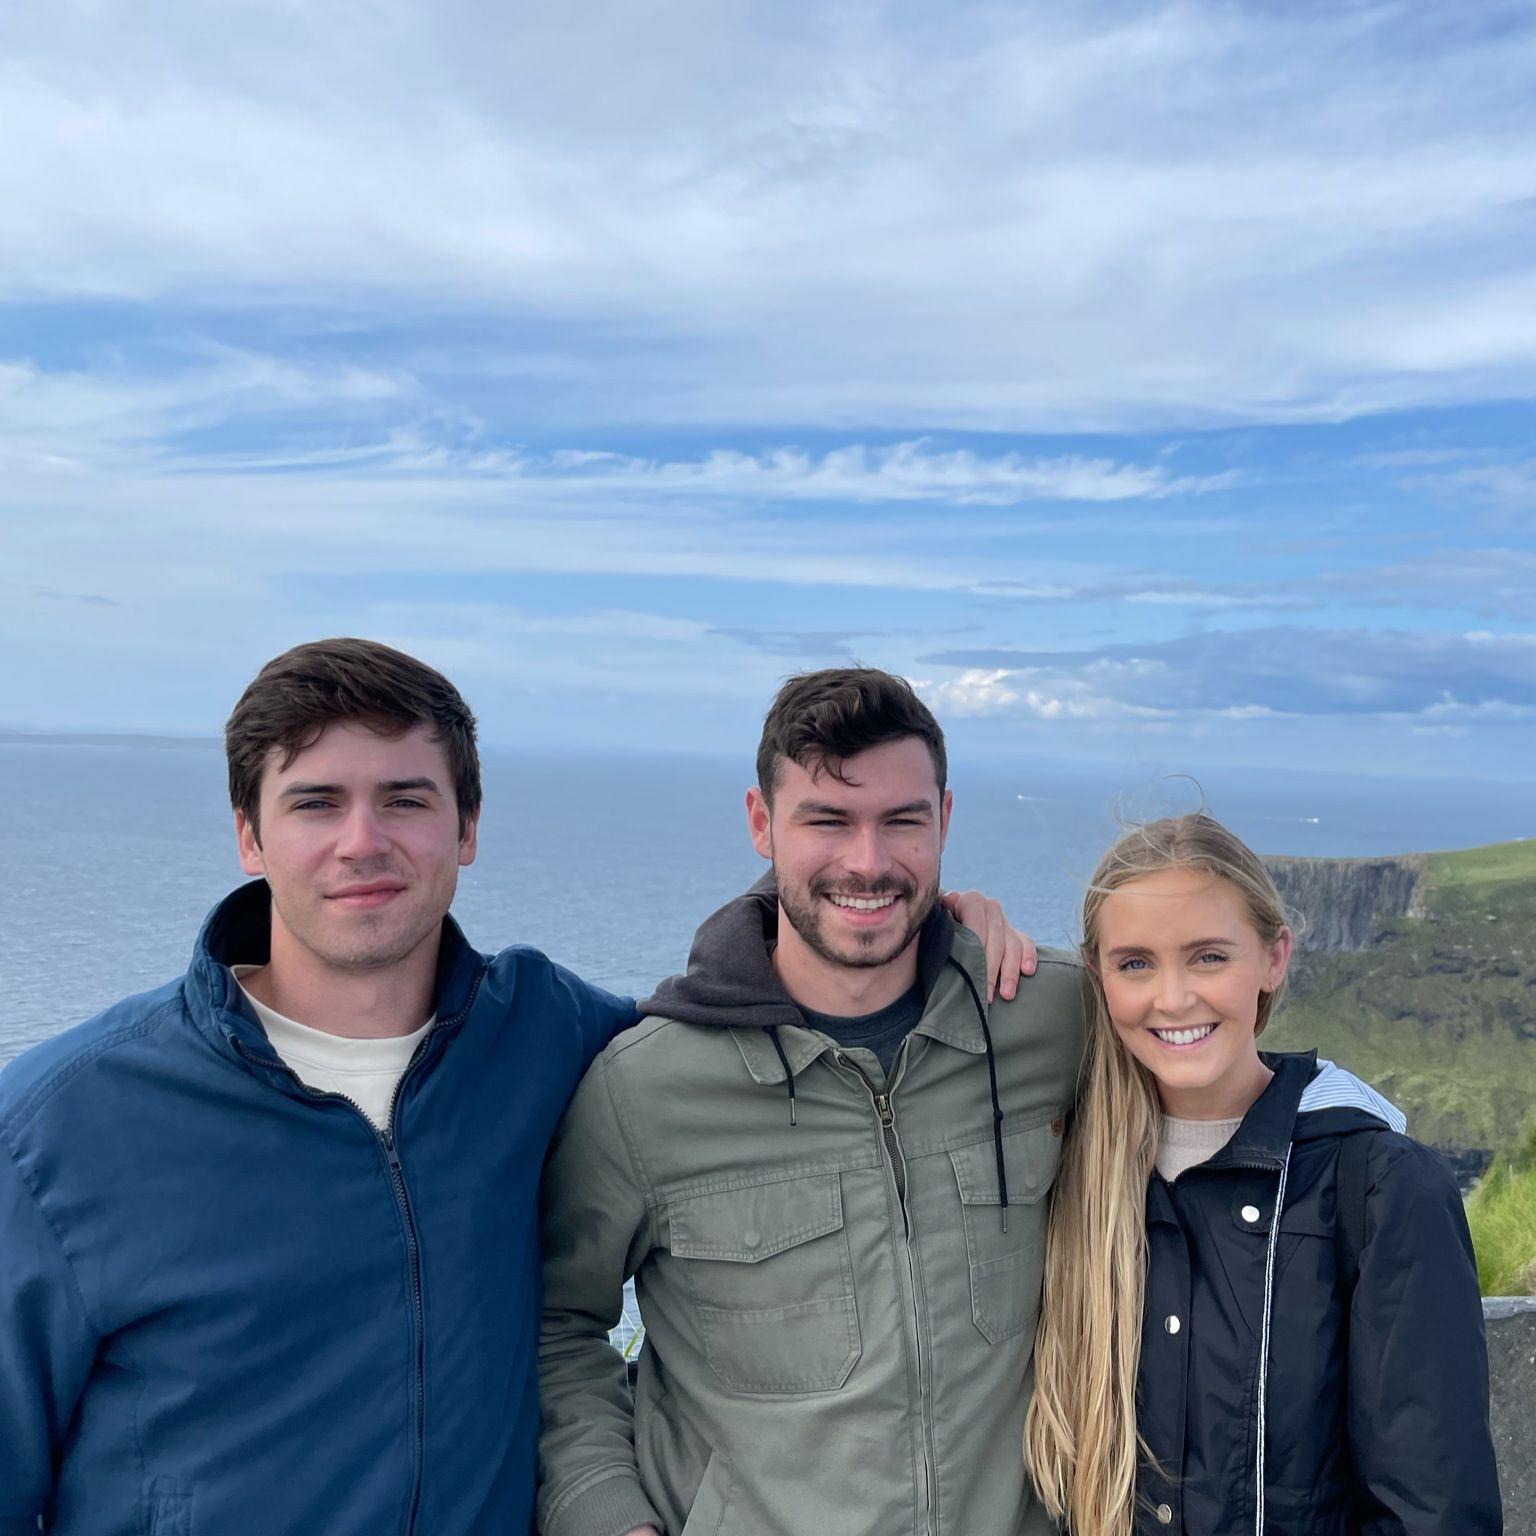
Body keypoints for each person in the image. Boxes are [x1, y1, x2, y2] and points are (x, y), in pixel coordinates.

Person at [0, 638, 1031, 1536]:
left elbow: (758, 1002)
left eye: (407, 800)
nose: (363, 841)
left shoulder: (547, 1033)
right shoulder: (62, 1129)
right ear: (248, 834)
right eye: (316, 802)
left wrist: (933, 925)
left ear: (468, 827)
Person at [536, 668, 1087, 1536]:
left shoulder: (1051, 1017)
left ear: (945, 820)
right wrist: (611, 1519)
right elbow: (557, 1326)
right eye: (827, 820)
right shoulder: (643, 1089)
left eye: (902, 821)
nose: (867, 862)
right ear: (762, 823)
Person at [1026, 813, 1502, 1536]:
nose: (1173, 997)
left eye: (1209, 957)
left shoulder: (1382, 1187)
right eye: (1135, 963)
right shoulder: (1070, 1172)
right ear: (1098, 976)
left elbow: (1434, 1511)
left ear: (1274, 959)